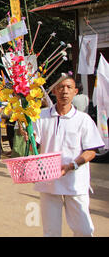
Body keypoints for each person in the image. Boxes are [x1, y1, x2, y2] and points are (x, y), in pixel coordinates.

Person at [32, 76, 104, 237]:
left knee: (84, 230)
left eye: (69, 87)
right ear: (54, 91)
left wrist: (72, 165)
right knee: (51, 231)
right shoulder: (41, 116)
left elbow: (91, 150)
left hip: (75, 182)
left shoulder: (83, 119)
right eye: (61, 87)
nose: (65, 91)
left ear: (75, 92)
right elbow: (33, 144)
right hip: (49, 181)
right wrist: (27, 134)